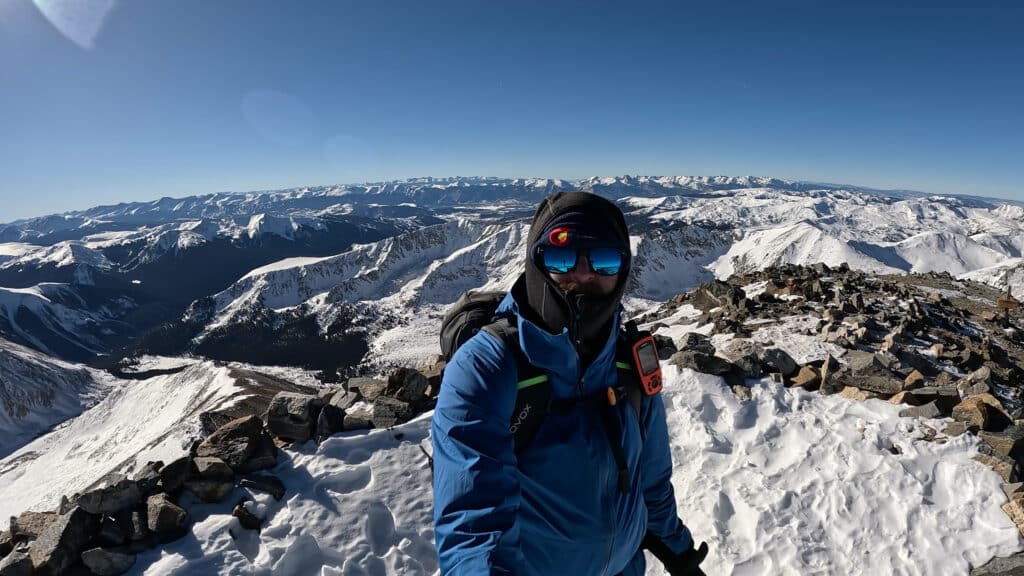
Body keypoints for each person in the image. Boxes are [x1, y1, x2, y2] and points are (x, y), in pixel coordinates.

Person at [432, 191, 707, 575]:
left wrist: (677, 550)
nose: (582, 274)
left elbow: (652, 480)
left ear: (624, 271)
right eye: (562, 258)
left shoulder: (629, 361)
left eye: (604, 260)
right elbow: (475, 524)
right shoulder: (488, 366)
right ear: (536, 263)